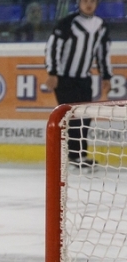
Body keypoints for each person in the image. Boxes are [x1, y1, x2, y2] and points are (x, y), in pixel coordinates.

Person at [45, 0, 112, 168]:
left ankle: (79, 155)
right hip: (64, 78)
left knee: (85, 118)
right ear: (79, 3)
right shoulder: (68, 23)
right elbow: (53, 47)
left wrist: (106, 76)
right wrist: (52, 72)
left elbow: (103, 52)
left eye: (92, 1)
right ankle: (74, 155)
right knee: (73, 117)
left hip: (84, 78)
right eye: (85, 1)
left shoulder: (100, 25)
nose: (88, 4)